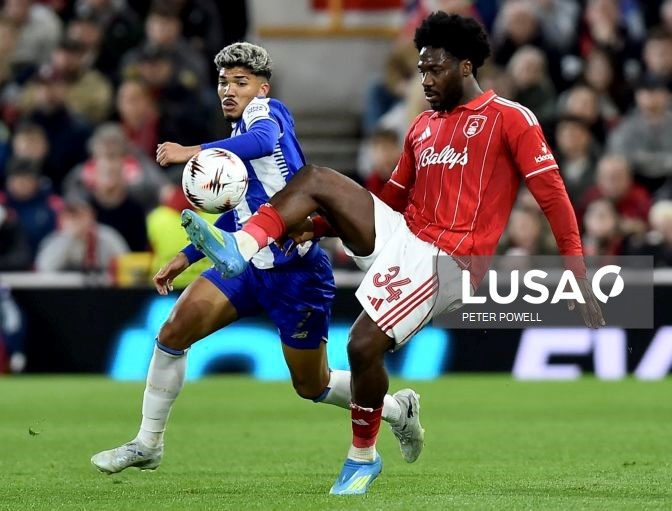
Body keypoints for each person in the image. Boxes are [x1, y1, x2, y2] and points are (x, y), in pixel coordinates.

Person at [182, 13, 605, 495]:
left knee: (362, 345)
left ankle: (362, 458)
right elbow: (393, 199)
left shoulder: (511, 118)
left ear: (466, 67)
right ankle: (243, 246)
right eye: (421, 70)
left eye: (435, 69)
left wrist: (576, 273)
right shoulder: (422, 126)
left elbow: (554, 197)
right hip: (406, 236)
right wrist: (318, 228)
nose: (425, 80)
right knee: (317, 179)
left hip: (451, 259)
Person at [90, 42, 424, 475]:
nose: (229, 90)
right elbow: (241, 216)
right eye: (223, 82)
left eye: (241, 82)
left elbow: (263, 140)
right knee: (173, 332)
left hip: (296, 274)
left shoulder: (267, 114)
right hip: (246, 266)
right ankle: (147, 443)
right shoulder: (237, 139)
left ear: (262, 89)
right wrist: (187, 255)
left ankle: (398, 410)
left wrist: (193, 151)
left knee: (313, 385)